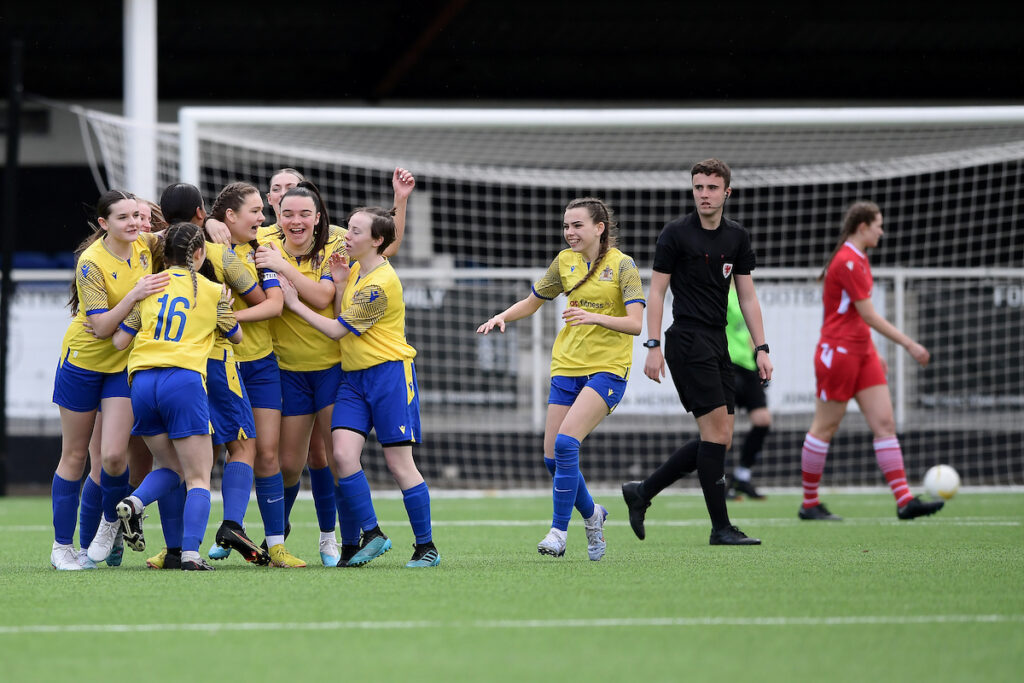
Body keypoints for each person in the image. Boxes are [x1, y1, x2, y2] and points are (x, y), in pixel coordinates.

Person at [478, 197, 645, 560]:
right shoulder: (563, 262)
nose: (569, 232)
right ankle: (593, 514)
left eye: (577, 225)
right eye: (566, 226)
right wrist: (502, 316)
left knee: (568, 444)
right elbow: (533, 300)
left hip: (608, 369)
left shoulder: (623, 266)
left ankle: (558, 532)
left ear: (599, 228)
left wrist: (594, 317)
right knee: (553, 459)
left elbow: (635, 324)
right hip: (566, 366)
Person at [278, 205, 439, 568]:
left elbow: (335, 329)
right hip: (353, 378)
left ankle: (426, 545)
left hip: (389, 377)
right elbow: (339, 315)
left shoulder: (382, 284)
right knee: (343, 457)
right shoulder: (352, 271)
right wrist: (337, 285)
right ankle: (372, 532)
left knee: (399, 464)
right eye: (348, 228)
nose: (346, 236)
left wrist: (293, 304)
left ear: (377, 241)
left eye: (355, 231)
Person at [621, 158, 771, 546]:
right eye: (698, 187)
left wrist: (762, 348)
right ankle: (720, 528)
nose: (704, 194)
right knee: (717, 434)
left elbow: (748, 296)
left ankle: (642, 492)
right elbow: (655, 292)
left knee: (719, 438)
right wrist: (652, 345)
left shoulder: (736, 236)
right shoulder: (676, 234)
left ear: (727, 192)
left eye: (711, 187)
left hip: (718, 342)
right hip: (686, 341)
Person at [798, 201, 943, 521]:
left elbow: (856, 316)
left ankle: (904, 500)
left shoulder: (859, 259)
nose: (882, 230)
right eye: (878, 224)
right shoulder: (848, 260)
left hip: (862, 353)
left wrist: (874, 352)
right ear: (862, 227)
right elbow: (867, 314)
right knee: (825, 427)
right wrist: (909, 344)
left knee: (884, 424)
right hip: (838, 353)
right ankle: (809, 503)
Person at [112, 221, 242, 571]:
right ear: (198, 254)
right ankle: (189, 554)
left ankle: (136, 502)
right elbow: (238, 336)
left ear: (163, 254)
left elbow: (119, 341)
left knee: (169, 466)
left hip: (141, 382)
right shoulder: (212, 291)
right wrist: (225, 306)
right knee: (199, 476)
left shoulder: (150, 287)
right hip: (182, 381)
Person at [50, 190, 168, 570]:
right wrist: (135, 294)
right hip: (84, 361)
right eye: (124, 218)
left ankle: (109, 525)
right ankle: (62, 548)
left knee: (114, 458)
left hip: (121, 364)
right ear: (104, 224)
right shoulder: (91, 263)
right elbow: (100, 327)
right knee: (75, 456)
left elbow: (188, 233)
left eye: (137, 216)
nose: (135, 223)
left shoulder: (147, 244)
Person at [724, 283, 772, 500]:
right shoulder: (719, 288)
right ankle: (720, 482)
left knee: (762, 421)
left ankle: (742, 477)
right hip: (726, 364)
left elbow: (749, 329)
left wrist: (758, 356)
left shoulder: (744, 291)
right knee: (724, 431)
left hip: (748, 366)